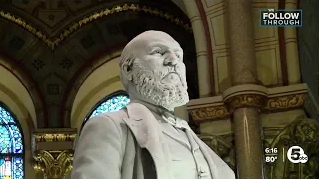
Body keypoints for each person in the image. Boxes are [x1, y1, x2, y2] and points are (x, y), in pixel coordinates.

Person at [71, 30, 236, 179]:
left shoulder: (189, 135)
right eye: (158, 52)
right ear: (128, 69)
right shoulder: (109, 126)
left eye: (179, 56)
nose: (173, 60)